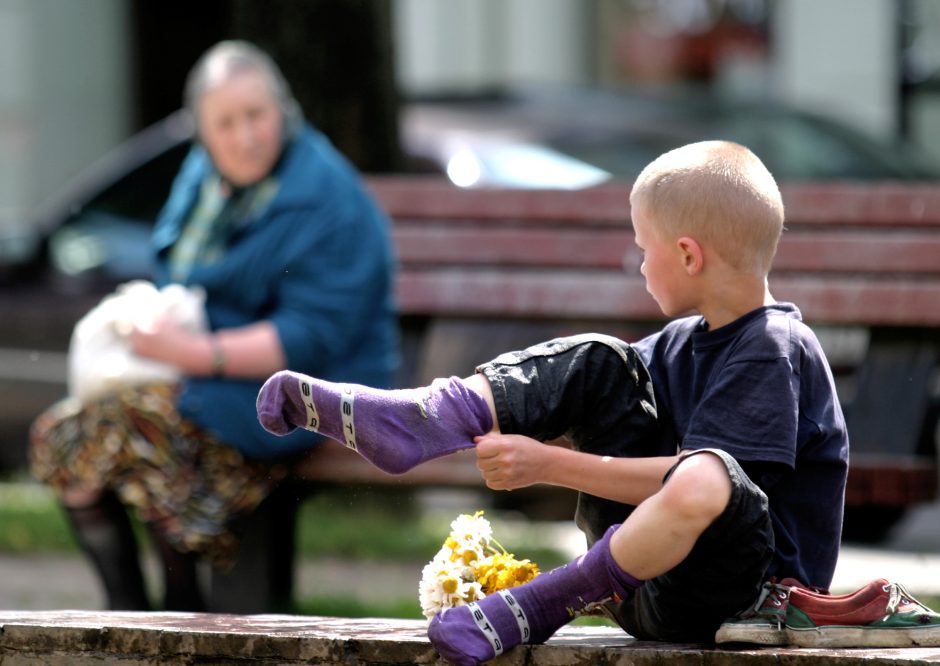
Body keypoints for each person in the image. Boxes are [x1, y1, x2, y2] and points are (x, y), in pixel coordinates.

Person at [256, 139, 940, 662]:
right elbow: (584, 387)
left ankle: (547, 600)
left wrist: (547, 466)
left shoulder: (775, 347)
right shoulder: (680, 341)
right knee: (599, 358)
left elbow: (705, 492)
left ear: (688, 255)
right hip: (639, 583)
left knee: (707, 472)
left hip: (731, 596)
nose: (640, 266)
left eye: (644, 250)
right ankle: (425, 419)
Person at [29, 40, 398, 612]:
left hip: (313, 388)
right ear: (202, 130)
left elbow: (306, 337)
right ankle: (130, 613)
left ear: (285, 110)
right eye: (226, 122)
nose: (245, 135)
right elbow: (173, 266)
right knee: (66, 433)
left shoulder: (328, 197)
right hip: (216, 379)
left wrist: (187, 352)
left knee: (142, 424)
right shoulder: (205, 177)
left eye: (257, 115)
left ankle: (176, 614)